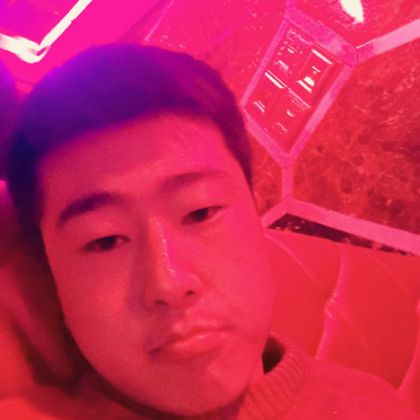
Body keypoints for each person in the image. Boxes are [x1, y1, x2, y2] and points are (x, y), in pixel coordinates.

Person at [4, 44, 418, 419]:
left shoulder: (371, 403)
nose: (168, 283)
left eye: (200, 212)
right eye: (105, 240)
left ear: (256, 216)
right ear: (52, 276)